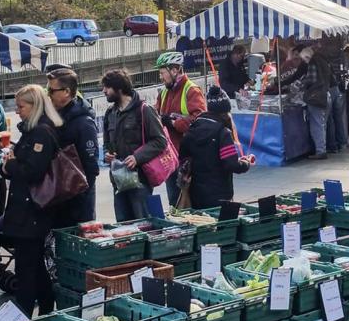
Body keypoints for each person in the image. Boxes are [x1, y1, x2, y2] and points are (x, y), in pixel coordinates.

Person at [1, 85, 63, 316]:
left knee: (27, 269)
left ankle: (23, 316)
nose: (17, 111)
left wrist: (10, 165)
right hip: (27, 210)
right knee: (35, 266)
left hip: (32, 211)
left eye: (21, 106)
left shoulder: (41, 133)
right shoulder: (34, 131)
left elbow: (33, 170)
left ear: (34, 106)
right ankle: (46, 309)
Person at [102, 69, 167, 220]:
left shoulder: (144, 110)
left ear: (119, 89)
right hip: (118, 181)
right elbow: (107, 142)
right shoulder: (110, 113)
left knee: (144, 224)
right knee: (124, 230)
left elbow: (160, 141)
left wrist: (137, 157)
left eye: (107, 87)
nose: (104, 91)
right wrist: (108, 154)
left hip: (140, 181)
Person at [179, 86, 253, 209]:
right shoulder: (222, 133)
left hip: (196, 194)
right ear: (226, 111)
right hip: (220, 195)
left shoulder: (192, 129)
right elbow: (231, 164)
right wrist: (246, 162)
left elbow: (183, 158)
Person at [47, 67, 101, 224]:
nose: (48, 95)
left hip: (78, 202)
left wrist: (77, 197)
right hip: (58, 196)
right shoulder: (55, 115)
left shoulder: (83, 123)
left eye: (52, 90)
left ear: (66, 92)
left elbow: (91, 167)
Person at [155, 52, 206, 204]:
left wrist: (172, 123)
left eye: (162, 72)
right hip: (170, 157)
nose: (161, 77)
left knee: (191, 202)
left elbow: (200, 121)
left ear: (175, 70)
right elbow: (156, 115)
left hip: (189, 158)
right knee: (174, 202)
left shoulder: (192, 90)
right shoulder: (164, 92)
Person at [291, 45, 333, 160]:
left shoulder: (313, 62)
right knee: (322, 124)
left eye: (304, 59)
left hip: (316, 97)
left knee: (317, 125)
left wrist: (299, 84)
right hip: (326, 94)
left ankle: (320, 151)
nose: (303, 61)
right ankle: (324, 148)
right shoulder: (322, 61)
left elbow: (311, 79)